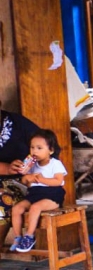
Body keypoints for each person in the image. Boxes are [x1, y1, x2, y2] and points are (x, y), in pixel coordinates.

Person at [9, 129, 67, 253]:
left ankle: (29, 236)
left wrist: (42, 179)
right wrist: (26, 176)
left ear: (50, 150)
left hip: (52, 194)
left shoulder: (55, 164)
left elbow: (58, 181)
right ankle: (18, 237)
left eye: (39, 148)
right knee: (17, 208)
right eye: (32, 147)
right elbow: (25, 182)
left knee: (35, 208)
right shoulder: (31, 164)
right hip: (35, 194)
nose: (34, 151)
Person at [0, 100, 39, 248]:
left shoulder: (19, 125)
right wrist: (6, 168)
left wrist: (30, 164)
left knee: (2, 202)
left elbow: (48, 147)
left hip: (22, 182)